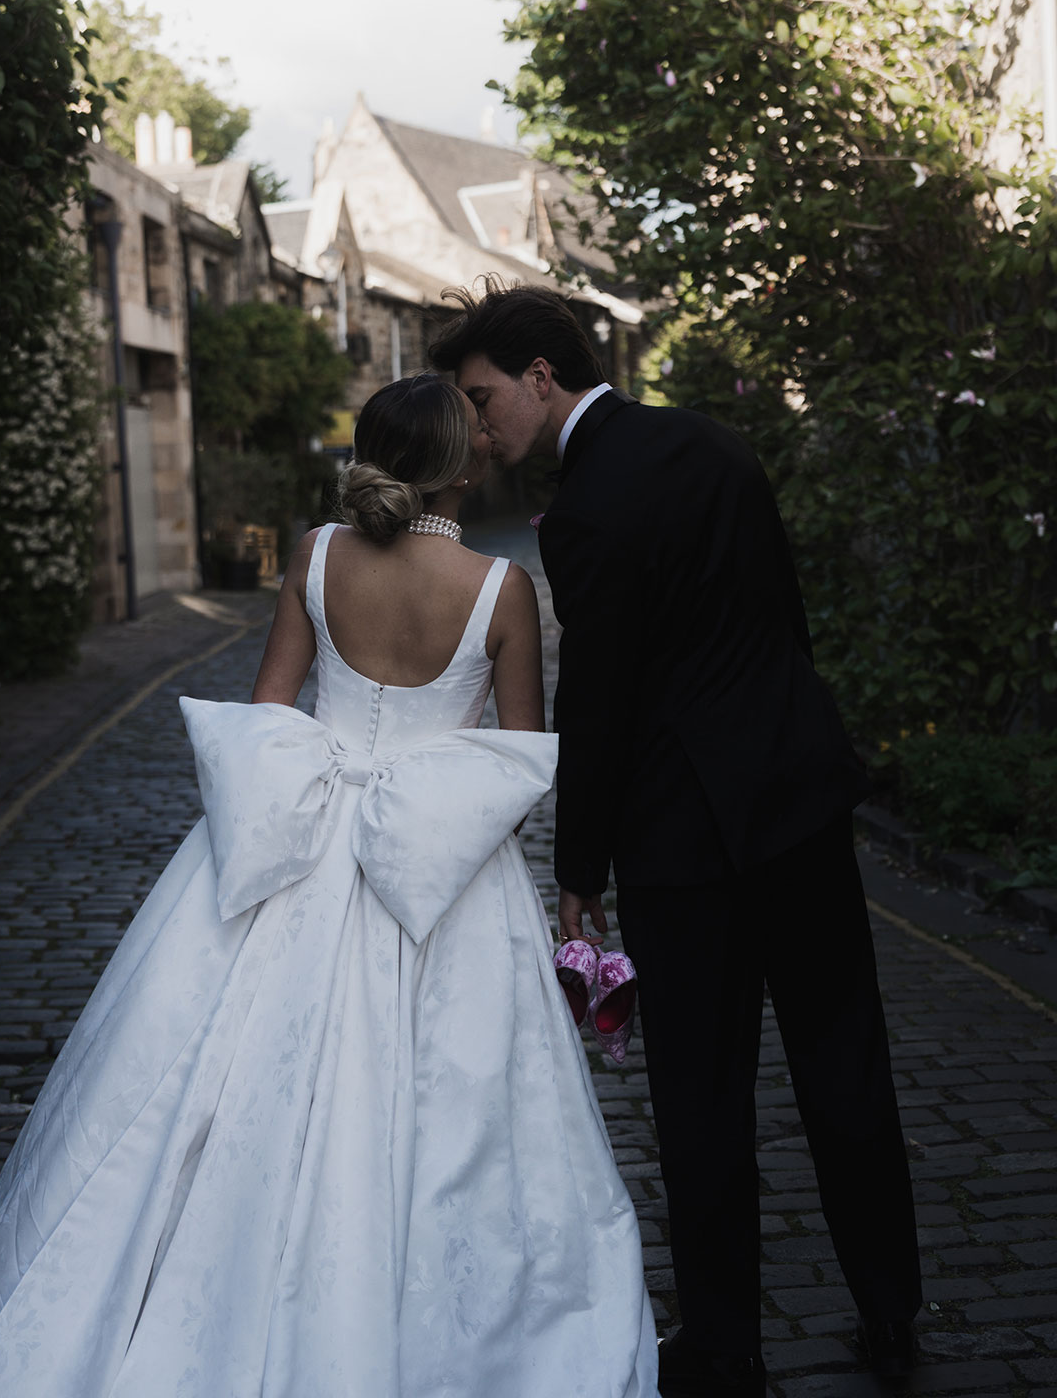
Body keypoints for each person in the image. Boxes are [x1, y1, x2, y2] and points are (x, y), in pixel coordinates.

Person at [0, 372, 659, 1398]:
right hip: (443, 885)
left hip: (287, 853)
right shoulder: (500, 588)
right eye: (476, 436)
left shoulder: (317, 555)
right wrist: (422, 805)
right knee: (458, 1124)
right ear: (460, 461)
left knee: (201, 1090)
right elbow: (517, 772)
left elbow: (270, 714)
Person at [431, 283, 922, 1398]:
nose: (479, 425)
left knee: (701, 1098)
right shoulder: (715, 443)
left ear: (541, 377)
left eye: (484, 396)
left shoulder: (591, 503)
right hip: (798, 803)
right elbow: (784, 626)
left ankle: (725, 1344)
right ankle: (892, 1311)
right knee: (846, 1064)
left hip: (681, 841)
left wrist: (578, 875)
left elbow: (598, 702)